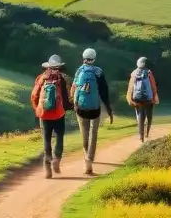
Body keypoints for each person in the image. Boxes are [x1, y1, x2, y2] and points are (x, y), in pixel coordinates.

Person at [70, 47, 114, 175]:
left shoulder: (79, 71)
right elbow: (104, 92)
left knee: (84, 134)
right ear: (94, 58)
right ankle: (90, 158)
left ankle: (86, 160)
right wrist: (109, 110)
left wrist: (74, 103)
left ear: (83, 58)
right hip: (95, 108)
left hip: (81, 108)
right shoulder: (98, 72)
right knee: (93, 134)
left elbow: (73, 89)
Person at [30, 54, 72, 179]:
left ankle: (47, 165)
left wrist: (38, 109)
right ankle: (57, 159)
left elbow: (34, 95)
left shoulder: (41, 78)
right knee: (59, 137)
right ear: (58, 67)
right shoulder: (61, 79)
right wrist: (69, 107)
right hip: (58, 114)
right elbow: (64, 99)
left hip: (44, 114)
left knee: (46, 139)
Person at [126, 56, 159, 142]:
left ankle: (141, 137)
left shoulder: (133, 73)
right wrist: (155, 96)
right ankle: (147, 133)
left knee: (140, 116)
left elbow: (130, 88)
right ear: (145, 64)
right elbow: (153, 85)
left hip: (137, 98)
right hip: (148, 98)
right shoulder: (149, 72)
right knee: (149, 116)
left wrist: (129, 98)